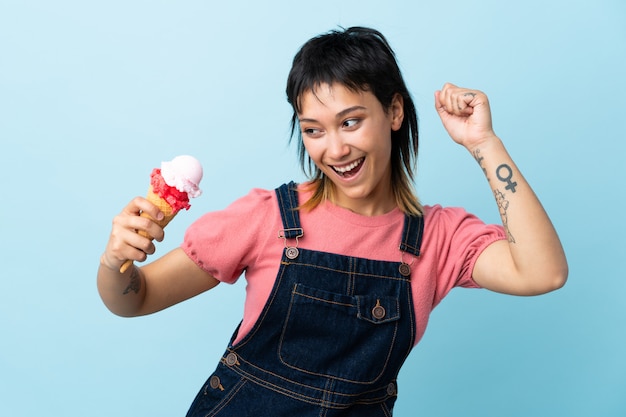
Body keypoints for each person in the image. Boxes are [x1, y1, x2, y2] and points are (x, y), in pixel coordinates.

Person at [97, 26, 568, 416]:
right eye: (313, 130)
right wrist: (115, 261)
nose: (335, 150)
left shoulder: (440, 238)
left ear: (395, 111)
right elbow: (135, 300)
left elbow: (543, 272)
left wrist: (483, 143)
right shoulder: (269, 218)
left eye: (350, 121)